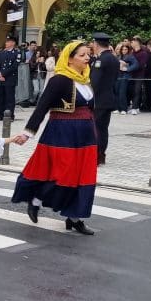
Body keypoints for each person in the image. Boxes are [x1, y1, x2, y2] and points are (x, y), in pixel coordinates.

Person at [11, 41, 99, 235]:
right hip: (62, 135)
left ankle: (74, 217)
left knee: (83, 177)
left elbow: (90, 109)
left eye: (88, 54)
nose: (87, 58)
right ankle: (35, 200)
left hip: (84, 137)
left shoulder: (85, 79)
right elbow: (42, 107)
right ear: (69, 59)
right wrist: (28, 132)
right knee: (62, 175)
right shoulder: (59, 80)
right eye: (82, 55)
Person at [89, 32, 119, 165]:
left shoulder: (101, 60)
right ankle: (101, 154)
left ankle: (96, 155)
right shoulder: (113, 58)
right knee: (103, 128)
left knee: (96, 128)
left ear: (96, 44)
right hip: (108, 98)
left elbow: (94, 81)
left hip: (99, 99)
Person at [0, 36, 23, 121]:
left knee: (9, 98)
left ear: (13, 43)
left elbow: (14, 66)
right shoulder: (2, 52)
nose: (6, 43)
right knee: (0, 97)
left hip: (9, 78)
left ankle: (10, 116)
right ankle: (1, 115)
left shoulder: (17, 53)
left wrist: (3, 74)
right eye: (6, 42)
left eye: (8, 42)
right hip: (0, 78)